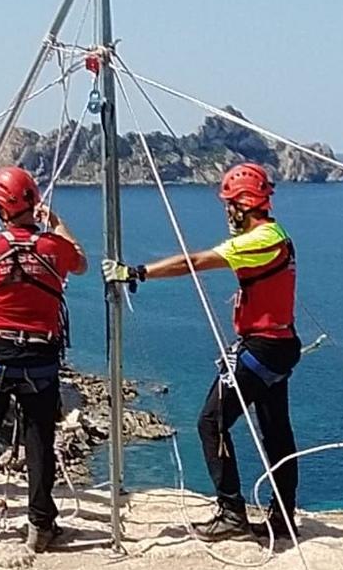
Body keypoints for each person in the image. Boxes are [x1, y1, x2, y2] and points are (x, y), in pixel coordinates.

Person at [104, 163, 300, 542]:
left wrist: (136, 273)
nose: (226, 212)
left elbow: (194, 262)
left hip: (262, 348)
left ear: (242, 204)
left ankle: (231, 513)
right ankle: (283, 518)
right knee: (276, 432)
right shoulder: (278, 235)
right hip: (280, 345)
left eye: (229, 205)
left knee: (211, 422)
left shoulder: (255, 241)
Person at [0, 166, 87, 550]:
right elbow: (80, 262)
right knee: (40, 438)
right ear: (33, 202)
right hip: (39, 356)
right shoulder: (53, 248)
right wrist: (57, 223)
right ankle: (41, 525)